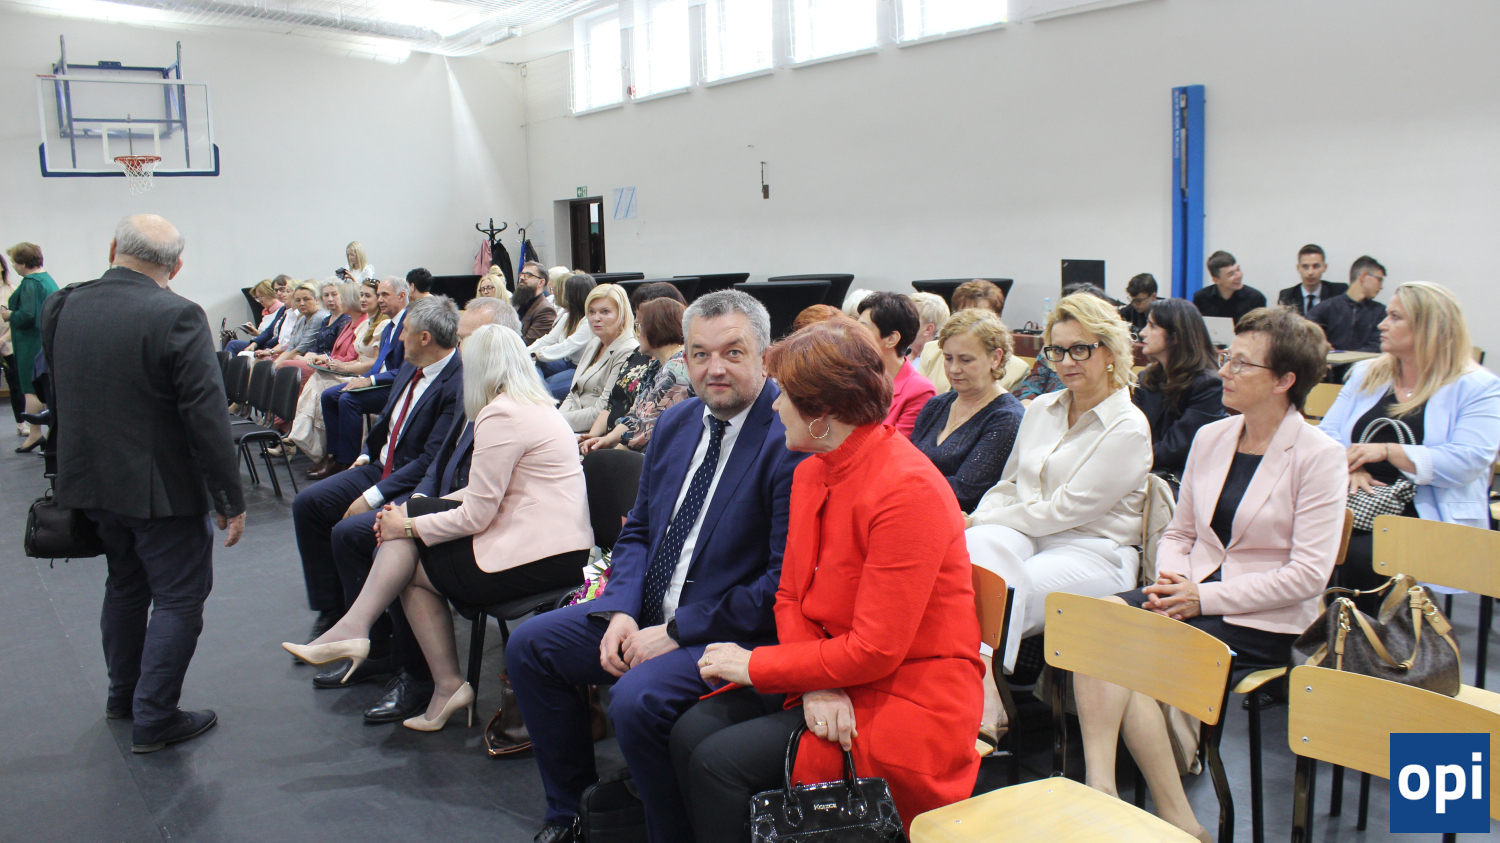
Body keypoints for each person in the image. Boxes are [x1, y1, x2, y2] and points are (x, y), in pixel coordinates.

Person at [506, 290, 806, 843]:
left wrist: (674, 631)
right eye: (699, 354)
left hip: (724, 629)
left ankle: (667, 829)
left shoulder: (789, 437)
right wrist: (620, 608)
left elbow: (779, 583)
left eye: (733, 352)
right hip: (647, 607)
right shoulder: (677, 422)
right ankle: (573, 814)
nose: (715, 369)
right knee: (531, 646)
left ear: (765, 357)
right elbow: (639, 530)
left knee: (636, 699)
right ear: (683, 358)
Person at [680, 317, 984, 839]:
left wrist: (759, 665)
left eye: (784, 396)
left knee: (718, 762)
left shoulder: (906, 490)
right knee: (689, 733)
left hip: (910, 691)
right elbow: (790, 596)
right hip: (838, 667)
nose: (775, 406)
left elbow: (877, 650)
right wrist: (813, 682)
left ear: (821, 415)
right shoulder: (813, 470)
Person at [1074, 306, 1347, 842]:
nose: (1225, 371)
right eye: (1228, 357)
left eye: (1242, 363)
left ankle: (1149, 810)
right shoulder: (1213, 437)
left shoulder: (1319, 456)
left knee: (1127, 651)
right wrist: (1175, 584)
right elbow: (1179, 533)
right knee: (1096, 624)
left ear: (1284, 381)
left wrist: (1203, 598)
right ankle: (1108, 791)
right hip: (1192, 593)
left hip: (1266, 618)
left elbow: (1308, 576)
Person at [284, 320, 588, 732]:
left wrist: (409, 526)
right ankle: (373, 640)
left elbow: (477, 514)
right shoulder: (531, 405)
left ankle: (417, 667)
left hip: (541, 554)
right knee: (407, 529)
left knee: (407, 562)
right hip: (551, 543)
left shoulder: (501, 414)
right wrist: (412, 515)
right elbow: (484, 494)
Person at [42, 214, 244, 753]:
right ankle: (155, 716)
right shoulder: (178, 314)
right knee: (179, 599)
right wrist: (228, 497)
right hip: (162, 490)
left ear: (113, 248)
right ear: (176, 266)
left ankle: (123, 697)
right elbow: (206, 414)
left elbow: (55, 387)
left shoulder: (63, 303)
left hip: (89, 480)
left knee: (125, 587)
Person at [290, 296, 464, 720]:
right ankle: (337, 616)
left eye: (405, 332)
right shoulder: (412, 363)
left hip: (412, 480)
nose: (399, 338)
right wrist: (366, 457)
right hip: (380, 466)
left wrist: (373, 496)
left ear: (425, 338)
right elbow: (389, 422)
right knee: (310, 504)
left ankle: (402, 661)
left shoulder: (455, 382)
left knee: (355, 533)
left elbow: (430, 460)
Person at [966, 291, 1150, 680]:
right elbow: (1009, 484)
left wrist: (982, 521)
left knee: (996, 593)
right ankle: (981, 684)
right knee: (969, 555)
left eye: (1080, 349)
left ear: (1111, 351)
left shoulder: (1128, 427)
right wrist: (980, 519)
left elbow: (1065, 511)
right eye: (1057, 351)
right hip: (1028, 534)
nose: (1066, 362)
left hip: (1093, 550)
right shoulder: (1041, 409)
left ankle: (982, 685)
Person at [1317, 282, 1500, 612]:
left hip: (1425, 511)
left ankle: (1358, 637)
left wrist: (1387, 451)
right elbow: (1327, 434)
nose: (1381, 324)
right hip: (1356, 499)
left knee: (1361, 558)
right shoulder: (1366, 373)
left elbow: (1469, 460)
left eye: (1395, 317)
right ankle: (1332, 633)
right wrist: (1353, 465)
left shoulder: (1477, 386)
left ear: (1428, 327)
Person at [911, 309, 1026, 513]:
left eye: (965, 360)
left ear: (995, 358)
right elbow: (906, 463)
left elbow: (966, 491)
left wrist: (899, 488)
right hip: (914, 506)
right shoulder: (936, 405)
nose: (954, 369)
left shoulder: (1007, 418)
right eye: (948, 358)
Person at [312, 276, 409, 479]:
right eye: (379, 295)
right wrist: (361, 378)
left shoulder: (409, 324)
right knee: (329, 396)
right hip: (382, 381)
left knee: (349, 400)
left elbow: (405, 369)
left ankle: (349, 462)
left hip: (398, 386)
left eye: (385, 295)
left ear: (401, 296)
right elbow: (379, 364)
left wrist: (369, 381)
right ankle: (335, 456)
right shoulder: (389, 326)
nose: (380, 300)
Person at [581, 283, 689, 451]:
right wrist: (605, 441)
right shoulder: (657, 364)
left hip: (655, 453)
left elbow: (644, 433)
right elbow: (634, 415)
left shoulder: (676, 370)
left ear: (655, 328)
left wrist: (608, 455)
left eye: (639, 326)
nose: (637, 334)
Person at [1133, 298, 1226, 481]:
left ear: (1175, 337)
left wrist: (1128, 460)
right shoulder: (1146, 378)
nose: (1143, 333)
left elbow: (1176, 448)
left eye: (1152, 326)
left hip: (1182, 480)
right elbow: (1132, 432)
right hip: (1145, 471)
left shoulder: (1209, 385)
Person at [285, 282, 367, 458]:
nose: (336, 301)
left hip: (350, 372)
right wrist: (323, 358)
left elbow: (352, 357)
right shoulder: (348, 322)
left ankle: (308, 441)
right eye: (326, 295)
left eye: (339, 297)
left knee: (316, 382)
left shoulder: (360, 323)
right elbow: (326, 350)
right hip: (336, 367)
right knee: (316, 380)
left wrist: (328, 360)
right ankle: (305, 439)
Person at [557, 284, 637, 433]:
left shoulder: (628, 350)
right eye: (592, 312)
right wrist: (555, 420)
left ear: (622, 315)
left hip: (594, 432)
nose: (596, 318)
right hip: (569, 424)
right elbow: (573, 394)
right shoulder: (594, 342)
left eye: (605, 312)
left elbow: (602, 411)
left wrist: (555, 422)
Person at [856, 291, 936, 438]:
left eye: (863, 329)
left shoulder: (919, 391)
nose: (854, 335)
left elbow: (895, 446)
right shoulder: (853, 377)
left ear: (891, 339)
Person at [3, 242, 59, 452]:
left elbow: (28, 315)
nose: (13, 266)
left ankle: (35, 434)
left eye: (14, 262)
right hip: (44, 339)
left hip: (30, 342)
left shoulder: (30, 283)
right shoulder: (46, 279)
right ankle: (47, 434)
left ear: (23, 263)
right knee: (44, 386)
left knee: (30, 386)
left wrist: (9, 315)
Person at [531, 272, 597, 399]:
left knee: (542, 390)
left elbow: (567, 346)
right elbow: (548, 339)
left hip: (581, 369)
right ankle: (536, 390)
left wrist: (536, 354)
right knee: (531, 365)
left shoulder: (589, 322)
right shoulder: (568, 316)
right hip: (566, 363)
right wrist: (523, 352)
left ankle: (538, 394)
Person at [1307, 256, 1387, 353]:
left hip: (1365, 362)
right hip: (1331, 362)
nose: (1381, 287)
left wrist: (1347, 357)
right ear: (1363, 276)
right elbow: (1306, 335)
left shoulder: (1379, 312)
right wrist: (1321, 345)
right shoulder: (1326, 308)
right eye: (1379, 280)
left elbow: (1376, 345)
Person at [1192, 250, 1267, 323]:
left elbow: (1259, 329)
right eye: (1231, 274)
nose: (1238, 276)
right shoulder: (1201, 297)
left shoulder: (1255, 298)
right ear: (1216, 280)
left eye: (1238, 270)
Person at [269, 281, 330, 368]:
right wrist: (273, 366)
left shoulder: (319, 317)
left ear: (316, 300)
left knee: (283, 367)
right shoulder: (301, 319)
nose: (301, 303)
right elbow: (290, 348)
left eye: (306, 299)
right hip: (297, 359)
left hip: (314, 361)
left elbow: (301, 349)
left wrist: (275, 367)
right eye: (298, 300)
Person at [1277, 244, 1347, 316]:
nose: (1310, 272)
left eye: (1316, 266)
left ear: (1325, 267)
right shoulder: (1287, 296)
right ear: (1298, 268)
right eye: (1305, 267)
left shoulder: (1338, 292)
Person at [225, 279, 281, 356]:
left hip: (270, 346)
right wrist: (255, 333)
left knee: (233, 344)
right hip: (261, 343)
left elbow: (274, 336)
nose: (260, 301)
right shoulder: (267, 312)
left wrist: (257, 335)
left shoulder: (281, 311)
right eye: (257, 297)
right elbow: (267, 332)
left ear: (270, 293)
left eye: (261, 296)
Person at [0, 254, 23, 435]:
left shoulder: (12, 290)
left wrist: (2, 340)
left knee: (16, 386)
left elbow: (17, 319)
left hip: (8, 345)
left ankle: (21, 423)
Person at [514, 262, 557, 343]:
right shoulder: (518, 303)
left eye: (527, 275)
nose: (522, 278)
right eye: (521, 274)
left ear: (541, 282)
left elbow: (529, 342)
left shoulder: (546, 311)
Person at [909, 291, 950, 361]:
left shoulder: (941, 360)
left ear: (928, 329)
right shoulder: (898, 351)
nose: (901, 323)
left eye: (908, 319)